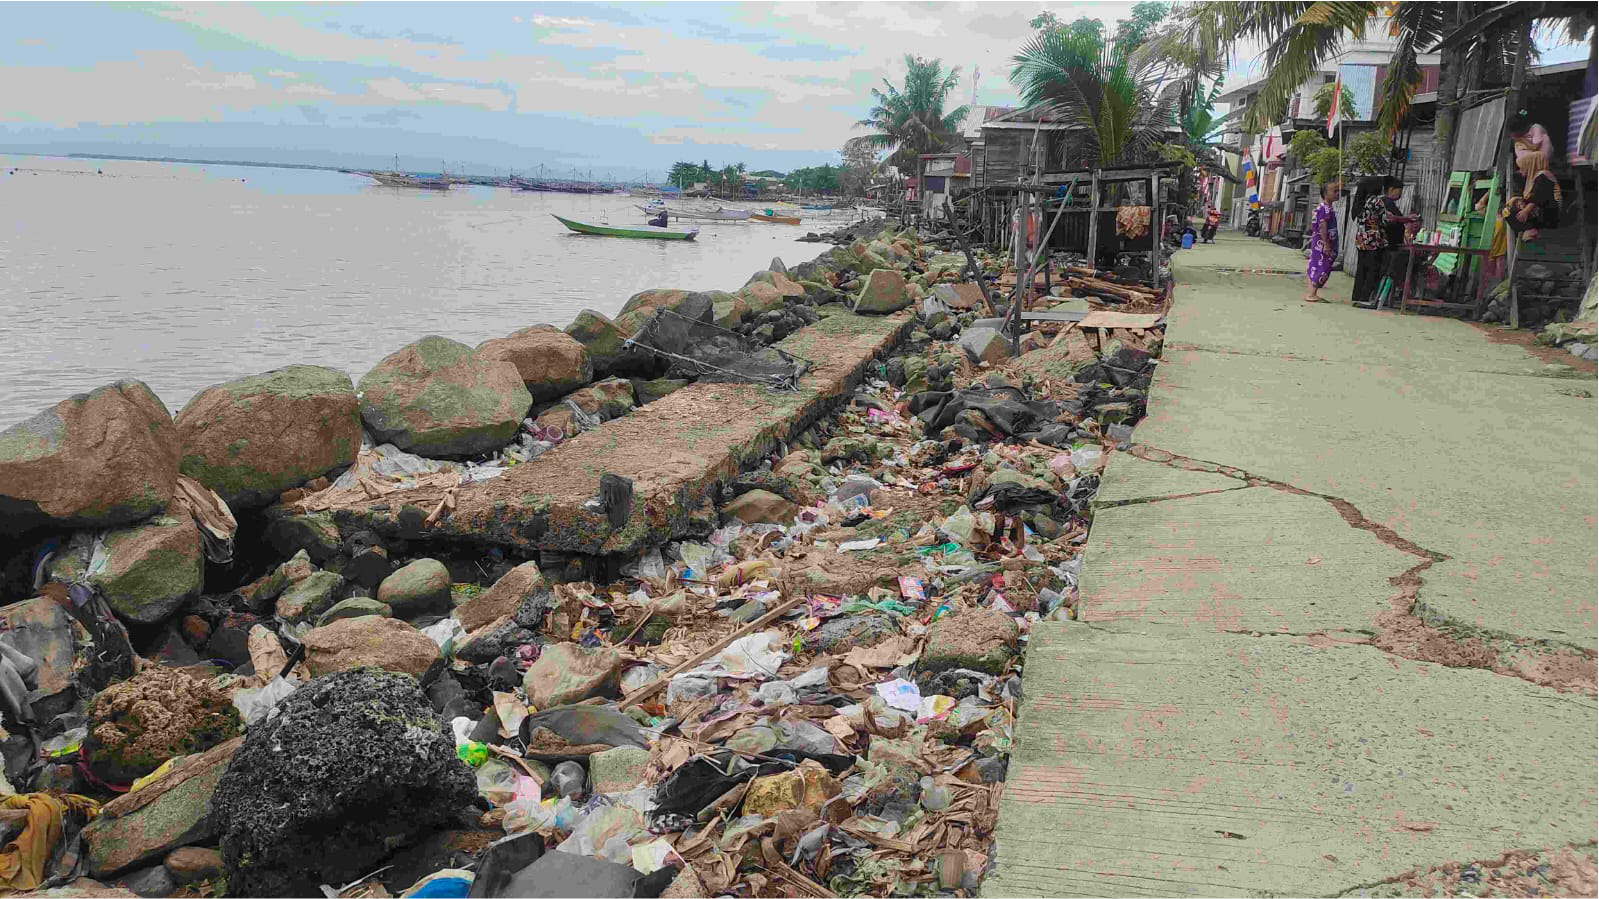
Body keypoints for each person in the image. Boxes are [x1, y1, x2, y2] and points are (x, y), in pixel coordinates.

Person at [1352, 176, 1417, 309]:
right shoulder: (1377, 201)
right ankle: (1365, 298)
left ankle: (1357, 295)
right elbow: (1388, 219)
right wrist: (1407, 219)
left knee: (1362, 268)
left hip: (1361, 238)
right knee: (1373, 269)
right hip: (1373, 239)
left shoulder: (1361, 202)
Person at [1303, 181, 1340, 302]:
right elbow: (1322, 226)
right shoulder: (1325, 209)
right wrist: (1326, 244)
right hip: (1323, 243)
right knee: (1323, 266)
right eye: (1334, 191)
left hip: (1320, 242)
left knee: (1316, 264)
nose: (1337, 193)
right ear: (1325, 193)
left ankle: (1311, 291)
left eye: (1337, 191)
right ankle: (1312, 293)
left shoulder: (1324, 208)